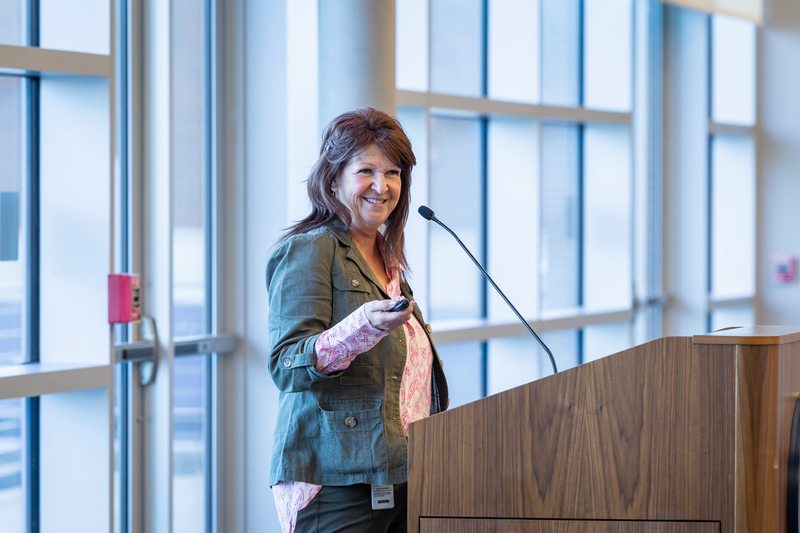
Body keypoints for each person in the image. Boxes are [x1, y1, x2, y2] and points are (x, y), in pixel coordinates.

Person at [266, 107, 449, 533]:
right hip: (334, 482)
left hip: (399, 474)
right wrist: (360, 327)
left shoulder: (388, 258)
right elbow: (286, 364)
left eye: (394, 172)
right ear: (333, 179)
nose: (382, 186)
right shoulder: (310, 250)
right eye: (366, 170)